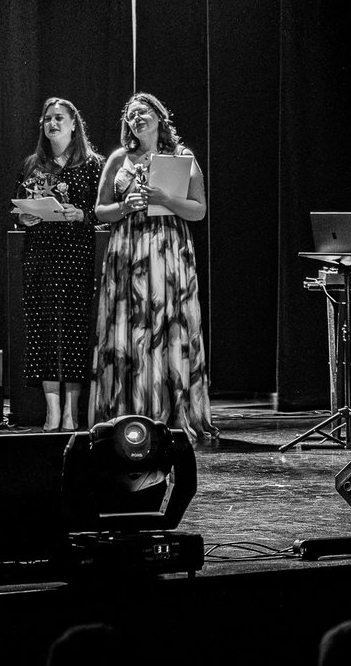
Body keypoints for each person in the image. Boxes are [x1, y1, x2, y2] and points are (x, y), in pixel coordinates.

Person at [91, 92, 216, 443]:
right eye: (130, 115)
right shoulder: (119, 158)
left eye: (143, 111)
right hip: (128, 251)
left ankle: (171, 413)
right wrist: (125, 207)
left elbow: (198, 210)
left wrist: (166, 199)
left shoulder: (181, 156)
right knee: (129, 327)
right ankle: (127, 413)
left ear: (159, 116)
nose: (136, 118)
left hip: (168, 253)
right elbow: (100, 210)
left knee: (167, 325)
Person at [14, 97, 103, 432]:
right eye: (48, 118)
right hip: (41, 255)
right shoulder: (33, 165)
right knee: (43, 331)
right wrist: (24, 216)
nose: (52, 123)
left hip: (76, 255)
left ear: (73, 124)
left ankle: (72, 410)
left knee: (75, 330)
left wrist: (81, 214)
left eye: (59, 118)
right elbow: (18, 207)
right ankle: (52, 411)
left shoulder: (92, 164)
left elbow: (103, 211)